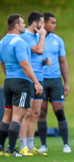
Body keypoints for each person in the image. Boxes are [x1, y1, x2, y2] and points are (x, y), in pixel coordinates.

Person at [0, 14, 43, 157]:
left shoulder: (2, 42)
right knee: (17, 117)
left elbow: (2, 63)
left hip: (9, 82)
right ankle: (11, 150)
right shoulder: (20, 43)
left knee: (7, 116)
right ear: (16, 26)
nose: (24, 25)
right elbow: (24, 64)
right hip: (21, 83)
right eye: (23, 23)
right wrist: (36, 82)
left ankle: (1, 148)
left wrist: (9, 77)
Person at [37, 12, 71, 153]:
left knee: (59, 111)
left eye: (55, 23)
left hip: (56, 80)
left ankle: (66, 144)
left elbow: (63, 61)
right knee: (42, 112)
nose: (54, 25)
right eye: (52, 23)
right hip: (41, 80)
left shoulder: (58, 40)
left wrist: (66, 83)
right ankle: (43, 144)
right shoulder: (36, 39)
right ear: (44, 23)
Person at [19, 11, 49, 156]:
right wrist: (42, 36)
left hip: (40, 77)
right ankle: (22, 145)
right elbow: (38, 50)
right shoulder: (25, 36)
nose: (44, 26)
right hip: (29, 79)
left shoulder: (37, 36)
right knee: (26, 112)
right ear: (34, 23)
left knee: (36, 113)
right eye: (42, 23)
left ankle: (31, 145)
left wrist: (45, 62)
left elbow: (39, 55)